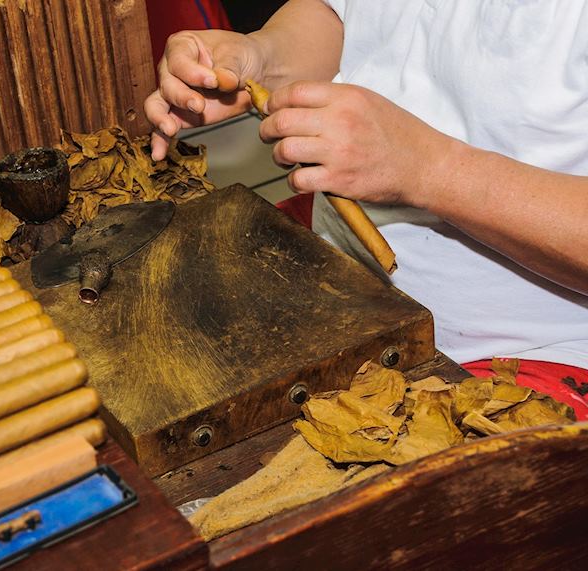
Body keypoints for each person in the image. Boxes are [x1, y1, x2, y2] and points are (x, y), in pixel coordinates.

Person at [144, 0, 588, 417]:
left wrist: (429, 169)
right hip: (340, 281)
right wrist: (261, 54)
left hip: (530, 356)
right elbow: (344, 16)